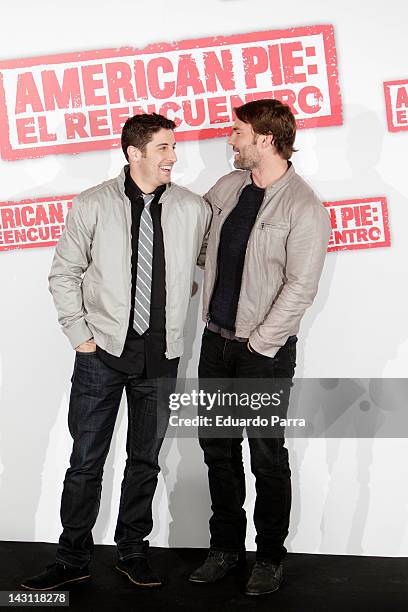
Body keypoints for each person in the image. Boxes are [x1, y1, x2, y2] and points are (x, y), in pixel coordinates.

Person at [22, 113, 211, 591]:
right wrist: (80, 337)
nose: (174, 157)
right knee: (86, 460)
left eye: (173, 147)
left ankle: (132, 552)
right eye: (164, 148)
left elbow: (205, 265)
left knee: (145, 460)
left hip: (161, 356)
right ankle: (72, 558)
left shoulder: (193, 208)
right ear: (134, 153)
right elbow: (63, 274)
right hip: (101, 353)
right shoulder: (92, 204)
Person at [189, 99, 331, 596]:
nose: (230, 140)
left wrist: (260, 344)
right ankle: (225, 547)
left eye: (237, 132)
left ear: (265, 139)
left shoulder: (303, 205)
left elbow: (301, 286)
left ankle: (270, 555)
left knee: (266, 455)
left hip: (262, 353)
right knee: (217, 450)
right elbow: (198, 245)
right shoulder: (228, 188)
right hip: (215, 343)